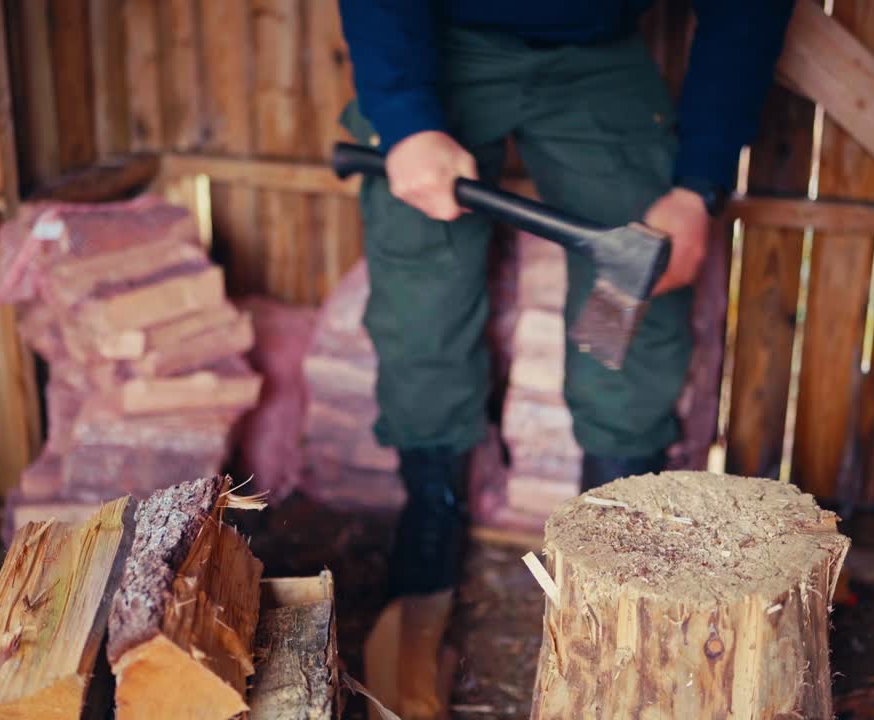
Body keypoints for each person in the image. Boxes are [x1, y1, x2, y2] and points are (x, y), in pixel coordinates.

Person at [337, 2, 794, 715]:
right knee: (421, 299)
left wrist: (698, 183)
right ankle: (432, 517)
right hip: (437, 37)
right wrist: (404, 118)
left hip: (597, 50)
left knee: (638, 283)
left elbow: (746, 12)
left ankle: (613, 530)